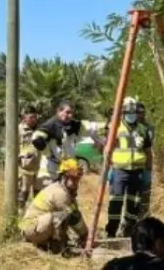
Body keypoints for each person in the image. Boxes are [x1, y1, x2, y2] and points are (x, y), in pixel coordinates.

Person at [105, 98, 154, 238]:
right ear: (123, 113)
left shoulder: (143, 130)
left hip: (137, 171)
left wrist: (148, 171)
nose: (131, 115)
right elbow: (108, 149)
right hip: (120, 170)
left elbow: (148, 152)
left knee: (133, 202)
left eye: (134, 112)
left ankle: (128, 230)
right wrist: (108, 168)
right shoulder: (115, 128)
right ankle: (111, 231)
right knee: (116, 201)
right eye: (128, 112)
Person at [19, 158, 89, 253]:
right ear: (64, 177)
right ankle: (56, 248)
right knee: (62, 216)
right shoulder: (60, 193)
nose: (76, 182)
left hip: (36, 226)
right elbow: (74, 217)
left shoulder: (64, 190)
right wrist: (86, 236)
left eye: (77, 179)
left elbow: (75, 213)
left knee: (64, 215)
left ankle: (52, 244)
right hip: (31, 229)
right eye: (73, 179)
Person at [31, 100, 104, 189]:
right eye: (67, 112)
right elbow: (36, 139)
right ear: (59, 111)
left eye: (71, 113)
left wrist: (98, 141)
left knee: (69, 194)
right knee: (48, 193)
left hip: (69, 167)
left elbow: (92, 128)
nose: (69, 115)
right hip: (52, 167)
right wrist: (48, 153)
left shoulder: (75, 125)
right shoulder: (50, 125)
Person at [17, 106, 41, 209]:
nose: (34, 119)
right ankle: (20, 216)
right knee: (23, 194)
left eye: (35, 117)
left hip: (39, 168)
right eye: (31, 117)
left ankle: (37, 217)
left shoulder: (40, 130)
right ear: (24, 117)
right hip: (24, 169)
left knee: (39, 195)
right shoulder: (19, 130)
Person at [136, 101, 154, 219]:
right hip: (132, 166)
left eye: (143, 112)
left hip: (145, 164)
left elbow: (149, 147)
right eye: (138, 112)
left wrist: (149, 168)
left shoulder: (148, 128)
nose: (141, 115)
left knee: (145, 194)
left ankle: (144, 216)